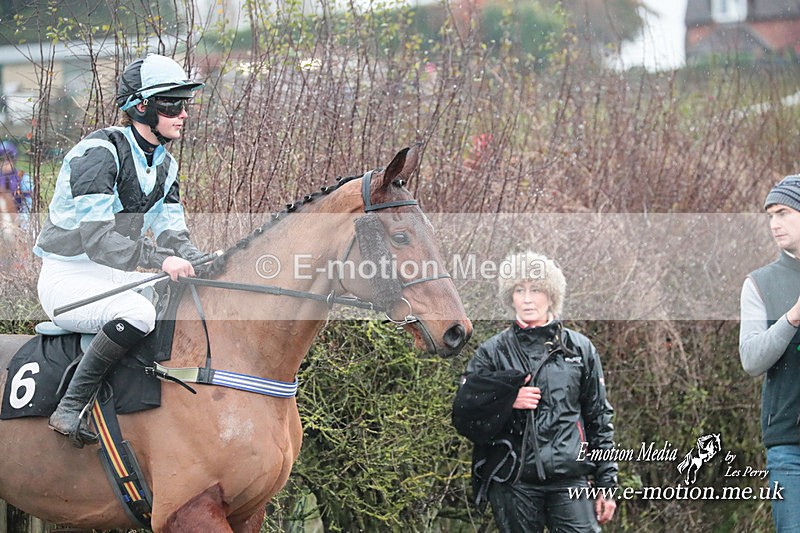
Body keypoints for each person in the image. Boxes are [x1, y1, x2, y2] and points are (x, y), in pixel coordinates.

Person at [33, 54, 208, 448]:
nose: (183, 114)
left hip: (115, 276)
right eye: (172, 104)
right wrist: (162, 260)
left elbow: (172, 232)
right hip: (69, 278)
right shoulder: (99, 152)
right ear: (141, 107)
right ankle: (70, 406)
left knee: (177, 306)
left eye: (184, 104)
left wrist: (198, 257)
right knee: (139, 312)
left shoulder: (167, 165)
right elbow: (99, 242)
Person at [452, 251, 617, 532]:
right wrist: (508, 400)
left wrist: (607, 484)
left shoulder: (580, 349)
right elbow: (464, 414)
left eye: (536, 289)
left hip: (570, 479)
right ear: (510, 296)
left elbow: (599, 418)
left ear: (551, 295)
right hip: (513, 481)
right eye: (519, 290)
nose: (527, 299)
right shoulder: (492, 352)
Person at [739, 175, 800, 532]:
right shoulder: (760, 283)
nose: (774, 224)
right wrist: (792, 317)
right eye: (770, 215)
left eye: (783, 213)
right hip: (789, 448)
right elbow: (751, 359)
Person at [0, 140, 34, 228]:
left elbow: (28, 205)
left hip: (19, 220)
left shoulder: (23, 178)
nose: (5, 162)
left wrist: (23, 225)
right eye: (1, 159)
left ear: (14, 159)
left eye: (8, 158)